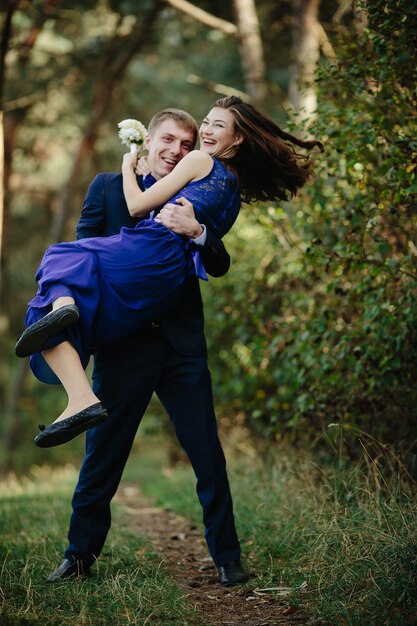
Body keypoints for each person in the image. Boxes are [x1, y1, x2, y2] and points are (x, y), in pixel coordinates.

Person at [16, 96, 322, 452]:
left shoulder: (199, 159)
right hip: (170, 270)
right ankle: (74, 365)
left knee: (57, 257)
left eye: (217, 125)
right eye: (206, 121)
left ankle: (72, 350)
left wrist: (129, 165)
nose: (206, 129)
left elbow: (135, 206)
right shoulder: (234, 188)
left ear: (237, 139)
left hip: (153, 248)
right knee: (51, 300)